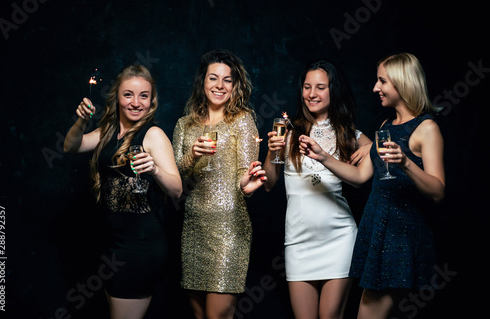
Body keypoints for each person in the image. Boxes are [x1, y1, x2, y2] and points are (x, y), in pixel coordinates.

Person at [299, 53, 445, 319]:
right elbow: (359, 177)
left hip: (401, 234)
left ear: (402, 83)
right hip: (377, 227)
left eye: (382, 82)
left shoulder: (427, 128)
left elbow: (437, 191)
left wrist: (406, 163)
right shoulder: (385, 126)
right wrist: (322, 156)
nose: (375, 88)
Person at [63, 64, 182, 319]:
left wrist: (155, 170)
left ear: (152, 101)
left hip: (140, 246)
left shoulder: (153, 134)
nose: (136, 102)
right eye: (128, 94)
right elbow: (72, 146)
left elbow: (177, 190)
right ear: (117, 96)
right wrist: (82, 121)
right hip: (111, 243)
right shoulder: (108, 132)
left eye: (144, 96)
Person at [263, 59, 372, 319]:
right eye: (307, 86)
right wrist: (272, 151)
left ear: (333, 90)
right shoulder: (287, 132)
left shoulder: (349, 134)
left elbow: (360, 178)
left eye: (320, 87)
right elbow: (268, 184)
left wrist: (372, 146)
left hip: (340, 239)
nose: (312, 94)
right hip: (299, 242)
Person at [172, 49, 267, 319]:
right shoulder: (184, 125)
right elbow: (173, 175)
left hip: (229, 230)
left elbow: (243, 173)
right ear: (203, 81)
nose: (220, 86)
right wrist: (193, 154)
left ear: (235, 85)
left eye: (227, 80)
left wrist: (246, 184)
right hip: (194, 229)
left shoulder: (242, 120)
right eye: (213, 78)